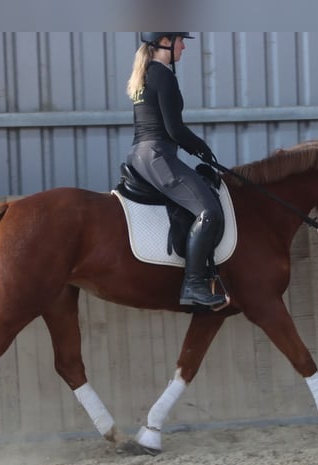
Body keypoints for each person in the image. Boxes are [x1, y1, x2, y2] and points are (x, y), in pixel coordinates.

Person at [126, 32, 226, 308]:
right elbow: (175, 130)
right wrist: (202, 147)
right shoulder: (163, 76)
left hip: (140, 155)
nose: (183, 46)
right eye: (180, 40)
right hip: (158, 156)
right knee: (209, 212)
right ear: (165, 41)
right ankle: (194, 284)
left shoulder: (144, 73)